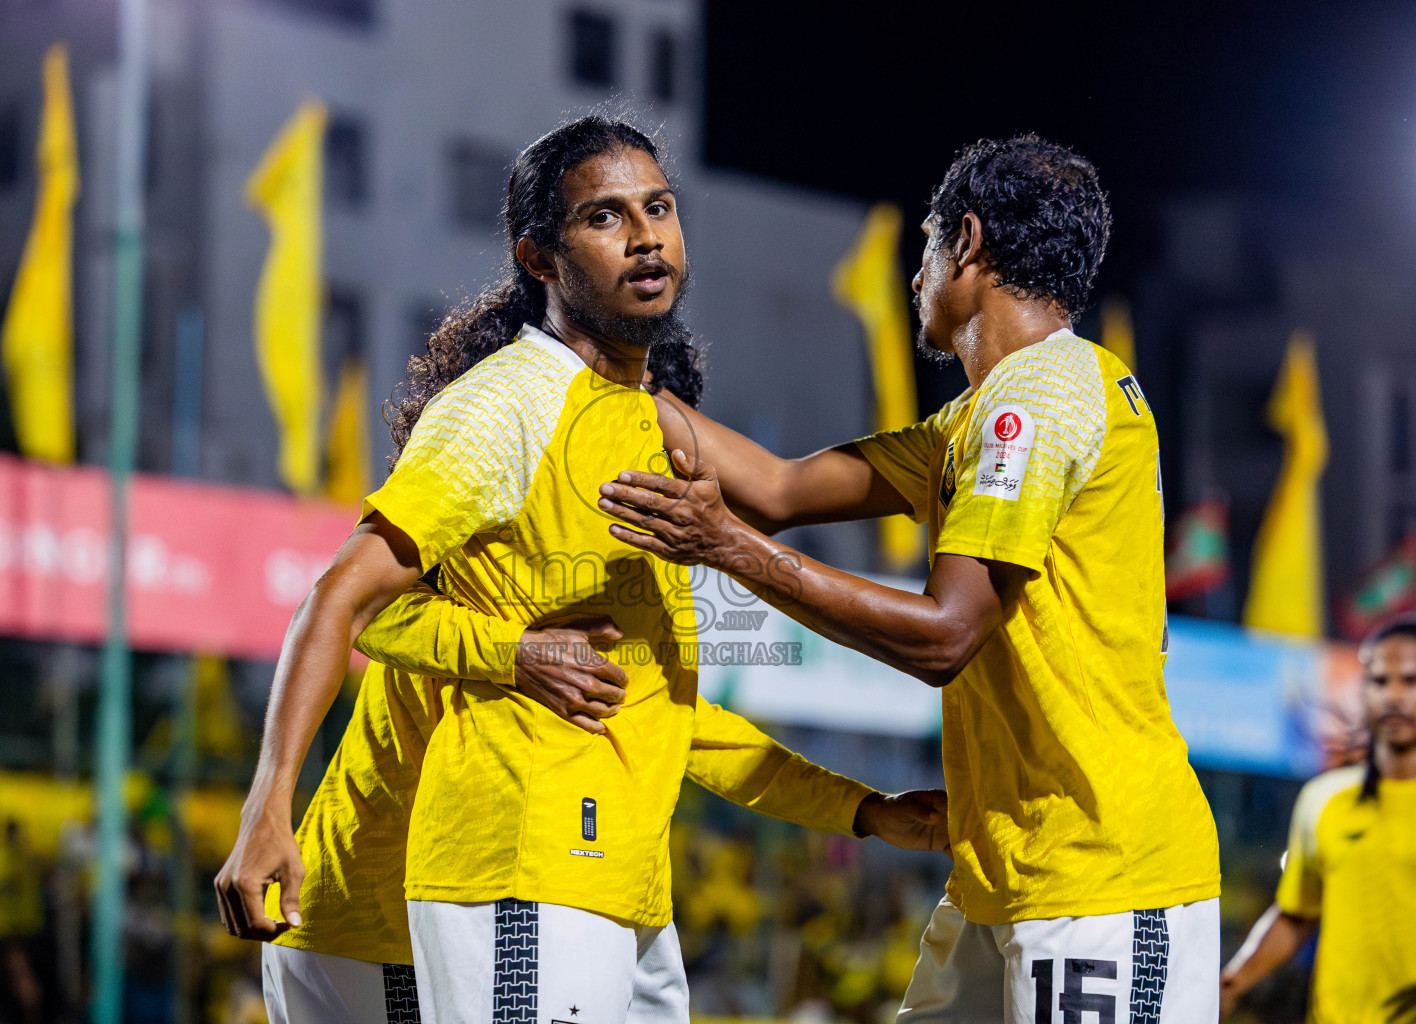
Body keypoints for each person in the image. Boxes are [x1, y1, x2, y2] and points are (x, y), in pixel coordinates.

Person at [214, 115, 949, 1024]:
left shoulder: (641, 420)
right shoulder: (512, 407)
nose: (647, 235)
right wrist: (268, 807)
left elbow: (682, 687)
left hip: (597, 879)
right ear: (540, 258)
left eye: (661, 207)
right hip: (419, 891)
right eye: (606, 217)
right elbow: (347, 600)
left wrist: (863, 810)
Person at [592, 134, 1221, 1020]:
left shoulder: (1039, 398)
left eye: (924, 243)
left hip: (1103, 880)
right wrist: (613, 383)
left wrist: (726, 548)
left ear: (965, 242)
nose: (914, 272)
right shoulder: (985, 413)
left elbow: (946, 634)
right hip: (1002, 873)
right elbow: (775, 487)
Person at [257, 587, 946, 1024]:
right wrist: (518, 651)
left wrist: (862, 808)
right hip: (378, 931)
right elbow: (349, 606)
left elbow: (688, 729)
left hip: (456, 915)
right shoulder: (498, 565)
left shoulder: (611, 577)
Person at [1219, 616, 1416, 1022]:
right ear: (1363, 691)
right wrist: (1234, 981)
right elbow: (1296, 912)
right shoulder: (1323, 799)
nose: (1394, 696)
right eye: (1381, 681)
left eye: (1410, 682)